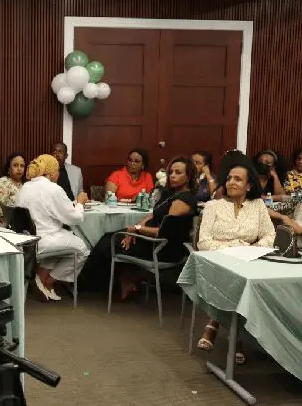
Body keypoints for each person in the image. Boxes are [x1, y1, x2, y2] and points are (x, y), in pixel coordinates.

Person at [80, 156, 198, 298]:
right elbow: (153, 215)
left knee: (109, 243)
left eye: (178, 173)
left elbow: (164, 232)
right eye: (171, 172)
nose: (172, 176)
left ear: (189, 176)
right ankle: (120, 281)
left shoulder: (183, 200)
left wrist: (136, 230)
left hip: (162, 247)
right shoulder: (170, 193)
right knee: (109, 237)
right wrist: (137, 226)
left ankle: (91, 285)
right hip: (148, 238)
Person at [196, 154, 275, 365]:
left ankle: (215, 324)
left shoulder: (257, 205)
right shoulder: (214, 206)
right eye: (229, 178)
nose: (231, 182)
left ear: (249, 186)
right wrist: (233, 248)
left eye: (238, 179)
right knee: (234, 279)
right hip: (216, 261)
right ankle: (237, 336)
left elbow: (269, 235)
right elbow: (203, 242)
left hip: (248, 260)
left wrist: (255, 248)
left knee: (247, 281)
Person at [16, 154, 90, 301]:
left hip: (28, 241)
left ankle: (40, 279)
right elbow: (74, 218)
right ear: (50, 172)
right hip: (45, 240)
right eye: (57, 171)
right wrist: (80, 203)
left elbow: (52, 210)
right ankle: (48, 282)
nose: (59, 174)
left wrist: (73, 206)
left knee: (64, 246)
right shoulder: (52, 189)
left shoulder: (26, 186)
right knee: (82, 249)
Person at [0, 153, 26, 227]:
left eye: (22, 166)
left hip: (15, 224)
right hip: (0, 225)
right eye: (15, 165)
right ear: (9, 168)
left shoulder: (22, 185)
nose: (19, 169)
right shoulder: (4, 182)